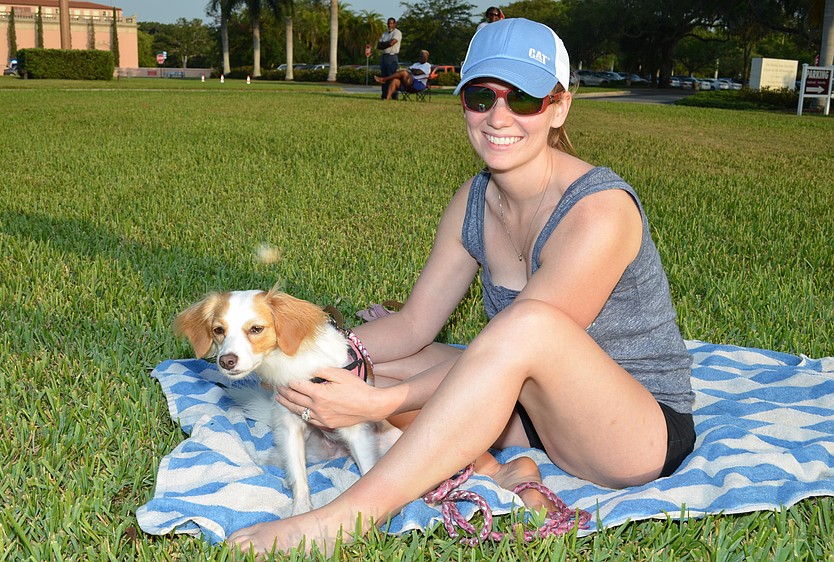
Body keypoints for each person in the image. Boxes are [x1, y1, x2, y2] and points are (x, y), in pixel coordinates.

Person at [229, 18, 695, 555]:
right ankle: (498, 470)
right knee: (368, 360)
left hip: (634, 433)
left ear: (559, 107)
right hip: (537, 420)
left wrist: (379, 404)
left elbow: (529, 340)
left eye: (523, 99)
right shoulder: (473, 201)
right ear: (463, 103)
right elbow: (412, 325)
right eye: (481, 96)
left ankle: (344, 518)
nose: (499, 117)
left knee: (525, 325)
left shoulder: (600, 210)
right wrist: (302, 352)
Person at [377, 17, 402, 100]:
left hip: (392, 57)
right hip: (384, 56)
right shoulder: (385, 34)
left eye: (391, 23)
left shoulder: (397, 32)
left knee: (392, 76)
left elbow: (392, 43)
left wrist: (384, 44)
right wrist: (386, 44)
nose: (389, 25)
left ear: (395, 24)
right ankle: (384, 95)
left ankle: (394, 95)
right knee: (384, 76)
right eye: (388, 23)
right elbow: (378, 46)